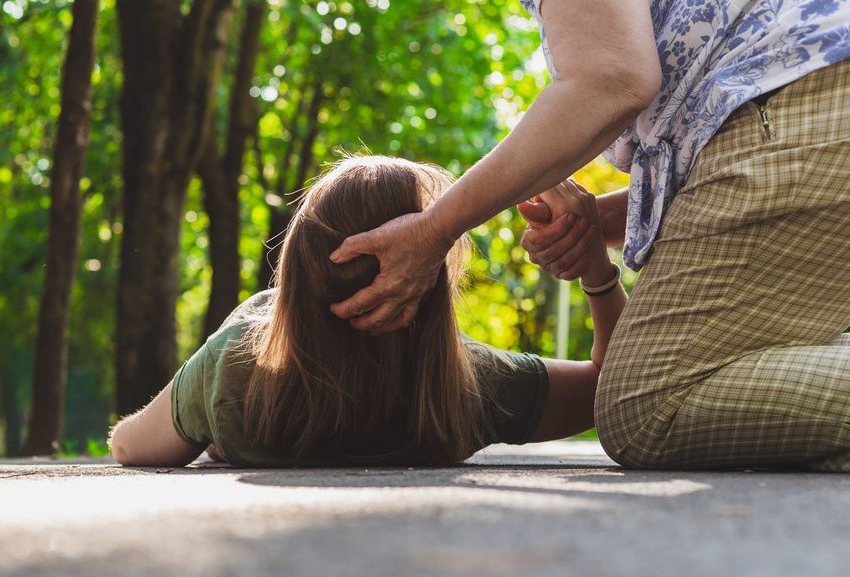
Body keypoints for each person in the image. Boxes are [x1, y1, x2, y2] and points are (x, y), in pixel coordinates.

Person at [328, 1, 850, 471]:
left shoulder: (249, 371)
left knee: (645, 409)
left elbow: (612, 79)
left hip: (806, 101)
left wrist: (436, 227)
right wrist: (595, 229)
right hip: (814, 97)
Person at [108, 156, 626, 467]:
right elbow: (612, 389)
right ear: (428, 284)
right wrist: (597, 275)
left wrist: (216, 406)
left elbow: (129, 447)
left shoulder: (236, 370)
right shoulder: (468, 387)